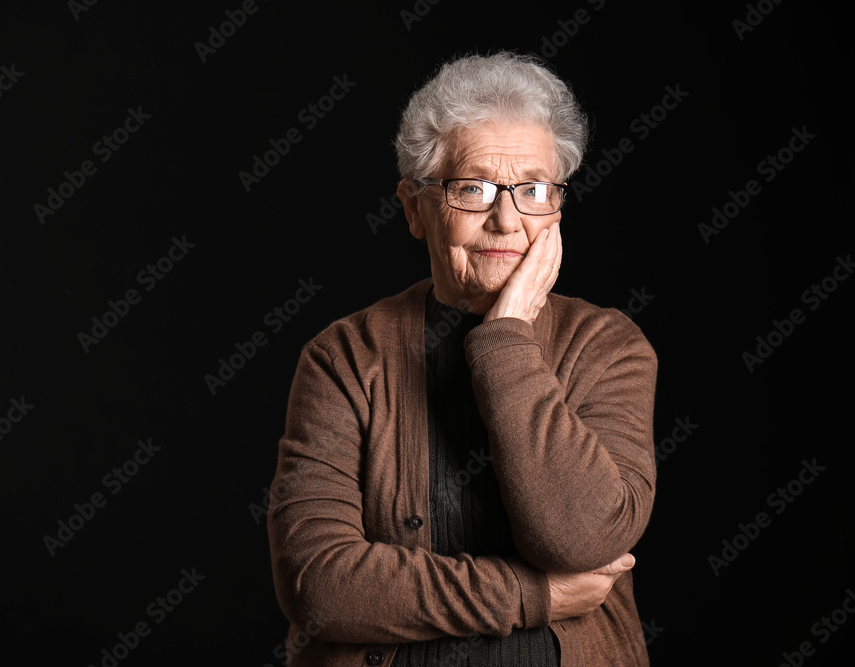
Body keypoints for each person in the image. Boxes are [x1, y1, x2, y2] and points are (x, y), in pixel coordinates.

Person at [267, 51, 658, 666]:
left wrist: (505, 336)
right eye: (472, 189)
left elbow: (583, 540)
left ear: (557, 209)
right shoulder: (343, 356)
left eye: (533, 190)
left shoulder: (608, 346)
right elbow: (318, 586)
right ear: (415, 209)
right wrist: (532, 594)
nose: (506, 220)